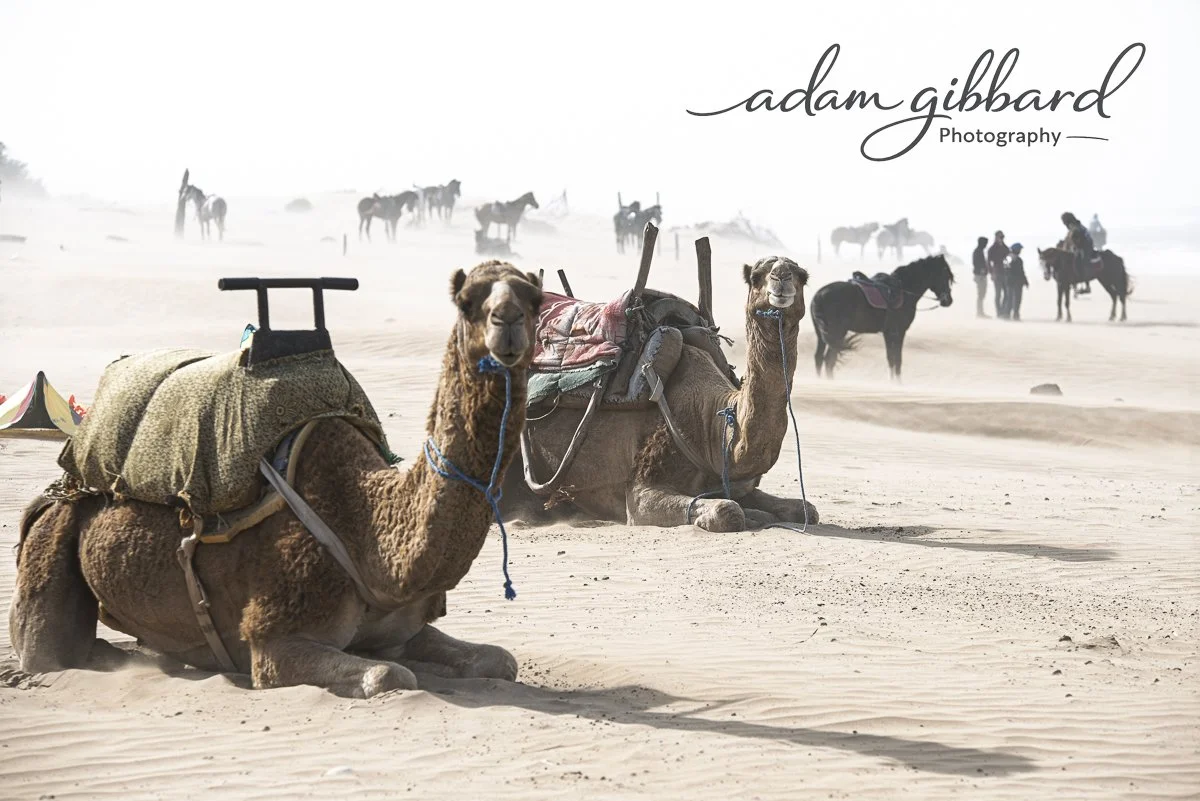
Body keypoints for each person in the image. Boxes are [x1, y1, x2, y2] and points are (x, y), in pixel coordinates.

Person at [1061, 212, 1095, 295]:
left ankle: (1087, 285)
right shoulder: (1071, 227)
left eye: (1064, 222)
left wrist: (1074, 247)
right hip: (1080, 245)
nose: (1064, 224)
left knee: (1081, 260)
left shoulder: (1076, 228)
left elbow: (1077, 240)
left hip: (1086, 245)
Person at [987, 230, 1010, 318]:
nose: (1001, 239)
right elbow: (989, 262)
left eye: (1002, 237)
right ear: (996, 237)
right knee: (998, 294)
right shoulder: (992, 249)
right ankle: (999, 312)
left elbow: (1008, 260)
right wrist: (991, 273)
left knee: (1007, 294)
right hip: (997, 273)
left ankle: (1004, 311)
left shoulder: (1005, 248)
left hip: (1005, 273)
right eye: (1000, 237)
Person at [1005, 243, 1030, 321]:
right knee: (1012, 299)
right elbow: (1008, 270)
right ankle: (1009, 314)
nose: (1020, 251)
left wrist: (1025, 281)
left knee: (1014, 299)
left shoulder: (1012, 258)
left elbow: (1021, 272)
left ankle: (1013, 314)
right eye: (1019, 249)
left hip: (1016, 282)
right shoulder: (1011, 258)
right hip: (1014, 281)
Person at [971, 236, 989, 318]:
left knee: (981, 294)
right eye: (985, 243)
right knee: (981, 294)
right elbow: (976, 263)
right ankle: (979, 313)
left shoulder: (979, 251)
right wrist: (982, 272)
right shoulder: (977, 251)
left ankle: (980, 312)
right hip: (980, 276)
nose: (986, 245)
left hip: (981, 275)